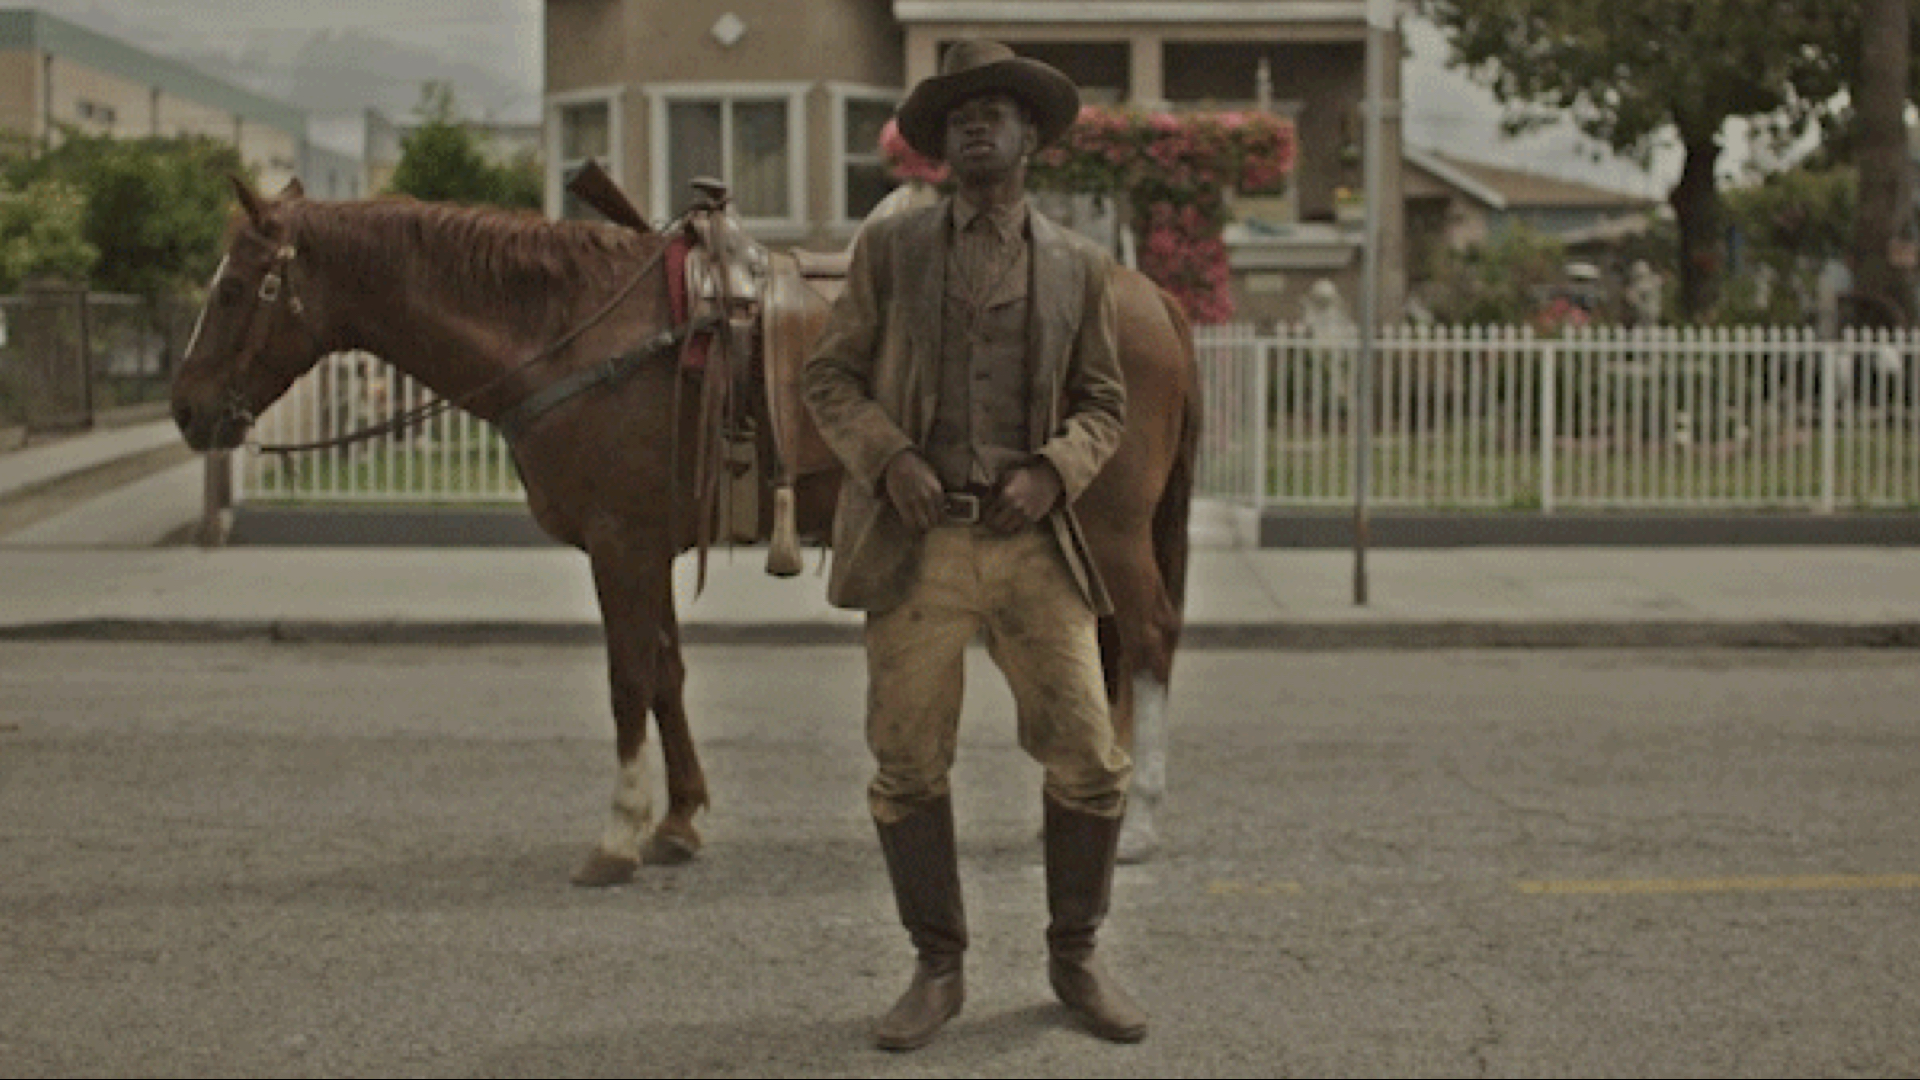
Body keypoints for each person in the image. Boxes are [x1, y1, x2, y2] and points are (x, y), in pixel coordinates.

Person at [802, 39, 1147, 1051]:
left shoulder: (1077, 264)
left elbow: (1104, 404)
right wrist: (890, 458)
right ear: (940, 144)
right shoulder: (892, 250)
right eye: (959, 117)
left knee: (1088, 753)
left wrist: (1052, 471)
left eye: (995, 112)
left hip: (1034, 548)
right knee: (907, 761)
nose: (976, 127)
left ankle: (1076, 957)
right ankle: (937, 966)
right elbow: (829, 378)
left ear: (1031, 135)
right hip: (918, 549)